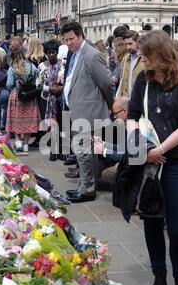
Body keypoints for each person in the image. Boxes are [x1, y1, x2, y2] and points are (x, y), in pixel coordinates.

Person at [127, 30, 178, 285]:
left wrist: (161, 150)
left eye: (146, 54)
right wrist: (142, 147)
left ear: (161, 53)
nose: (142, 58)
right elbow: (132, 116)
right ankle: (159, 277)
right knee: (152, 220)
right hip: (149, 160)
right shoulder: (143, 80)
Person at [61, 22, 114, 204]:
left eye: (71, 39)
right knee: (83, 154)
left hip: (89, 112)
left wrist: (109, 104)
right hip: (79, 110)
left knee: (84, 153)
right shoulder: (75, 54)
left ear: (80, 35)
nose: (69, 43)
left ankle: (87, 190)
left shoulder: (92, 55)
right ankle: (85, 187)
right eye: (66, 40)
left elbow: (106, 83)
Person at [6, 48, 40, 154]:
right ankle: (26, 144)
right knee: (28, 120)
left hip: (17, 95)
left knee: (16, 120)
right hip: (30, 96)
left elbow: (9, 84)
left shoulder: (12, 68)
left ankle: (18, 142)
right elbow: (36, 80)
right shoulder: (32, 66)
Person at [36, 39, 65, 161]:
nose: (51, 54)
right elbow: (38, 84)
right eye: (49, 52)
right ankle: (53, 150)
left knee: (62, 124)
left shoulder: (63, 64)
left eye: (53, 52)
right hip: (47, 100)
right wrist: (50, 88)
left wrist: (60, 88)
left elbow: (67, 79)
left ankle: (62, 150)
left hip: (61, 99)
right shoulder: (41, 66)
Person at [116, 31, 145, 99]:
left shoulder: (145, 59)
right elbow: (122, 80)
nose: (128, 47)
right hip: (126, 101)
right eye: (126, 44)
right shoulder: (125, 59)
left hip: (140, 100)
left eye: (130, 43)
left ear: (137, 42)